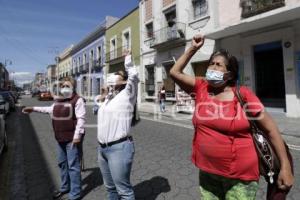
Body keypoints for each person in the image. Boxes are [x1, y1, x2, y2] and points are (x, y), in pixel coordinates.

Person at [170, 34, 294, 199]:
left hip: (240, 177)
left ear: (229, 73)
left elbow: (271, 130)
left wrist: (285, 167)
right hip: (208, 172)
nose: (212, 68)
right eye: (211, 64)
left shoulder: (244, 95)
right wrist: (193, 48)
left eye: (218, 65)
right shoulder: (201, 88)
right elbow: (174, 72)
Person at [22, 77, 86, 200]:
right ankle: (65, 187)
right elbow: (49, 109)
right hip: (60, 138)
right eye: (62, 86)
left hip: (72, 139)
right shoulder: (59, 100)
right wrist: (33, 108)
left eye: (67, 86)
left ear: (73, 87)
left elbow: (81, 119)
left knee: (73, 166)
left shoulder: (77, 100)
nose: (64, 88)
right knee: (62, 164)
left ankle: (75, 193)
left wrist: (77, 137)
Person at [96, 50, 139, 200]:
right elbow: (97, 109)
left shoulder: (128, 94)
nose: (112, 79)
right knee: (110, 189)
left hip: (119, 148)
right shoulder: (109, 97)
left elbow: (134, 76)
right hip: (102, 148)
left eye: (116, 77)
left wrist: (127, 59)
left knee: (124, 191)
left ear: (124, 82)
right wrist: (103, 96)